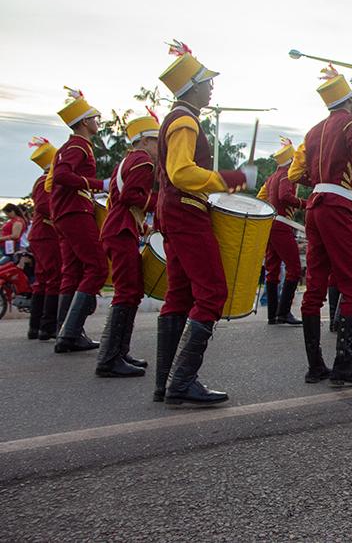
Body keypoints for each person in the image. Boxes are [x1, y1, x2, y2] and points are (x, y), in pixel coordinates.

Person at [154, 40, 248, 406]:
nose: (211, 87)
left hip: (172, 211)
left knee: (178, 294)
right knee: (211, 292)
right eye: (206, 82)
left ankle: (166, 381)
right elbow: (181, 172)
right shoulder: (186, 120)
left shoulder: (176, 117)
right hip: (187, 211)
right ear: (191, 87)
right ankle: (182, 381)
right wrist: (227, 179)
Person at [288, 65, 352, 385]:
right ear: (348, 102)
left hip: (315, 207)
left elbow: (298, 174)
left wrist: (322, 181)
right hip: (335, 207)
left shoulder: (313, 131)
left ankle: (316, 365)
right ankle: (344, 361)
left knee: (316, 285)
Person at [95, 114, 159, 377]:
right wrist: (160, 204)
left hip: (121, 227)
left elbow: (122, 197)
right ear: (143, 141)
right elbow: (130, 195)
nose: (159, 147)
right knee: (127, 291)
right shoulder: (143, 160)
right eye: (155, 141)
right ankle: (109, 359)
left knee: (131, 291)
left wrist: (141, 223)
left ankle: (119, 352)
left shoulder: (129, 159)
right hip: (120, 230)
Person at [47, 87, 107, 353]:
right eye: (95, 117)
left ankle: (66, 332)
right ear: (84, 122)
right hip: (75, 211)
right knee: (97, 267)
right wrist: (98, 183)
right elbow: (61, 175)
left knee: (72, 271)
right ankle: (70, 331)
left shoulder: (70, 145)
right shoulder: (79, 145)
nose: (97, 122)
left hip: (65, 212)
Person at [257, 137, 305, 326]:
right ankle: (283, 312)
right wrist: (305, 204)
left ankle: (273, 315)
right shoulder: (286, 175)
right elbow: (284, 195)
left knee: (273, 270)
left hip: (271, 224)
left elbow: (261, 197)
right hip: (282, 225)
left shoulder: (271, 178)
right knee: (294, 268)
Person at [25, 138, 61, 340]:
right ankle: (47, 326)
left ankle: (36, 326)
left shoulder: (44, 180)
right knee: (53, 277)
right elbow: (43, 206)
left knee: (43, 279)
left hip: (43, 234)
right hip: (46, 234)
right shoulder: (45, 181)